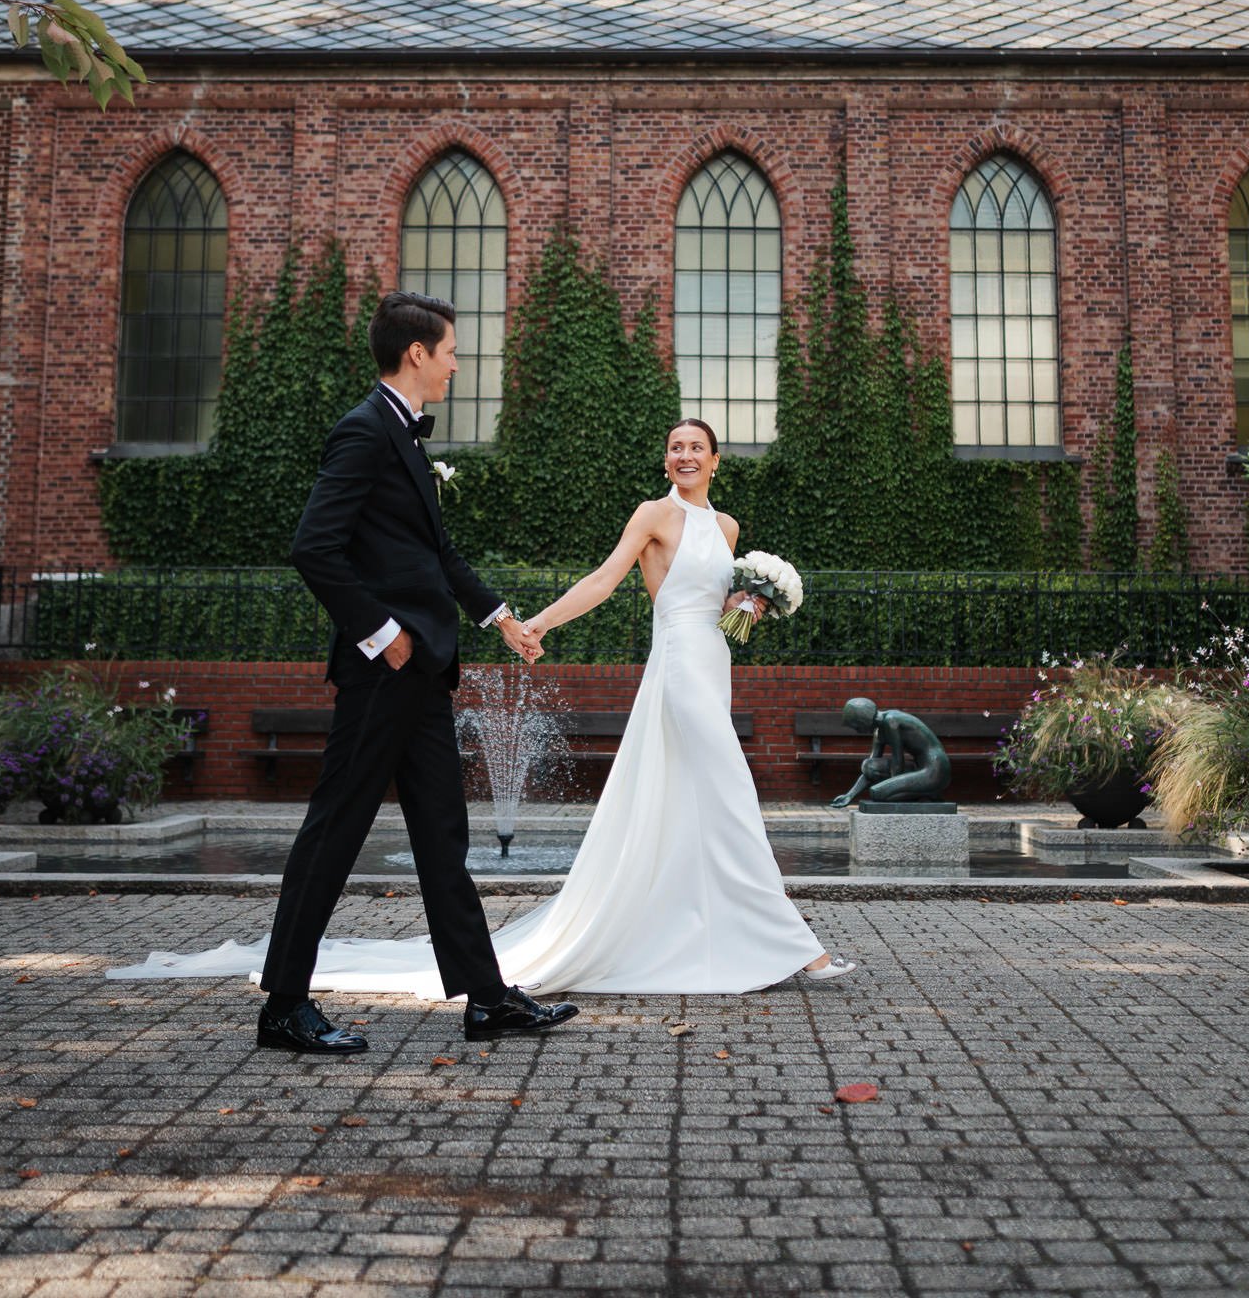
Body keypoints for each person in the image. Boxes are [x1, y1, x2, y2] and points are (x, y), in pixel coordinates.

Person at [111, 417, 851, 1001]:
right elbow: (603, 581)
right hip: (679, 671)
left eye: (697, 447)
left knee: (701, 801)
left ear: (717, 462)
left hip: (713, 660)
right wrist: (535, 625)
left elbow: (717, 609)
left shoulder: (727, 531)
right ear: (665, 462)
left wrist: (750, 602)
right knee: (729, 792)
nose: (685, 455)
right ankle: (798, 944)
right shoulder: (653, 515)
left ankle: (715, 931)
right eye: (675, 447)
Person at [111, 291, 577, 1053]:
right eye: (452, 349)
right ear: (417, 354)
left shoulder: (407, 439)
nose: (460, 361)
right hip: (384, 675)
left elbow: (435, 554)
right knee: (333, 835)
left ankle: (487, 999)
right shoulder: (362, 432)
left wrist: (502, 621)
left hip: (424, 674)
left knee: (443, 838)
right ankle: (284, 1006)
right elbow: (313, 548)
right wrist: (383, 634)